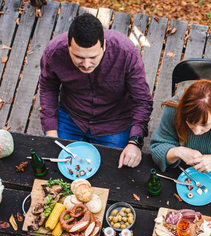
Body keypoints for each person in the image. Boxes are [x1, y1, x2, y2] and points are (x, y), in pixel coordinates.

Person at [38, 13, 153, 168]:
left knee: (114, 169)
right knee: (57, 164)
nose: (86, 64)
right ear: (68, 44)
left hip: (114, 121)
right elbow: (48, 87)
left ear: (103, 45)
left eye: (93, 57)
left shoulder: (126, 52)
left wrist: (135, 142)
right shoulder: (54, 52)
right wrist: (51, 133)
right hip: (71, 116)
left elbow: (142, 100)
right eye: (78, 57)